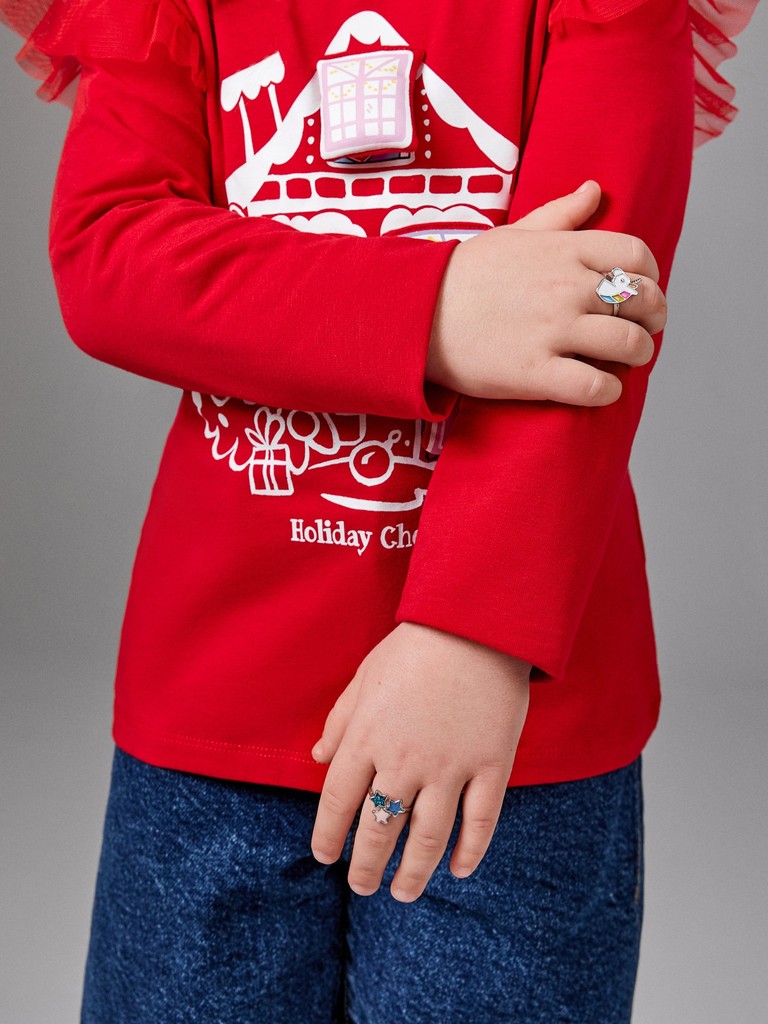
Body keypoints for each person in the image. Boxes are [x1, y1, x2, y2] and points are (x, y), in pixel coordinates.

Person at [0, 0, 759, 1021]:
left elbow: (616, 292)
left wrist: (474, 632)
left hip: (516, 721)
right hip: (214, 700)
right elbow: (107, 253)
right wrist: (437, 307)